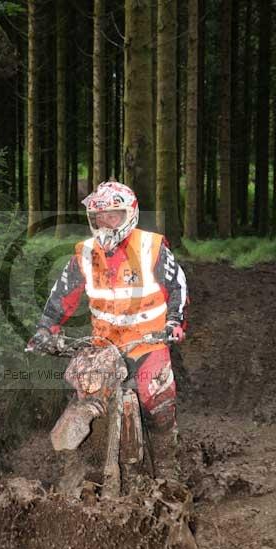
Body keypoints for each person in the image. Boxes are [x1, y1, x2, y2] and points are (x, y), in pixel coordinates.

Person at [29, 181, 188, 490]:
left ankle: (169, 467)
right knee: (83, 397)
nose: (105, 223)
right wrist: (46, 328)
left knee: (157, 397)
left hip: (149, 342)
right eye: (99, 217)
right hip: (102, 345)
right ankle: (70, 469)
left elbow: (177, 286)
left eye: (112, 216)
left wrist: (175, 321)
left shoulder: (151, 247)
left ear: (129, 214)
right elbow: (61, 295)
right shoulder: (85, 253)